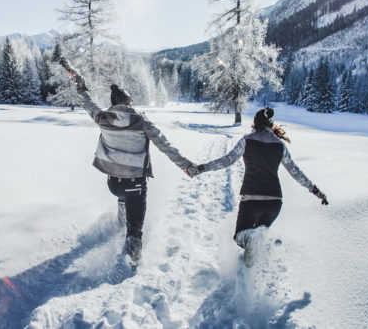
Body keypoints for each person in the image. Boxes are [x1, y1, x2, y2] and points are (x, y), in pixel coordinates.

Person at [60, 58, 194, 265]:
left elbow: (85, 100)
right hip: (135, 184)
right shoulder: (142, 121)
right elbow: (165, 145)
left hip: (113, 184)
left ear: (114, 103)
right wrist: (185, 165)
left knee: (123, 200)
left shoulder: (102, 117)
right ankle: (130, 268)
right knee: (135, 230)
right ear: (129, 102)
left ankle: (120, 227)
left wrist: (78, 79)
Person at [187, 107, 328, 267]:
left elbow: (227, 160)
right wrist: (316, 191)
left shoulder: (247, 140)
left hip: (251, 202)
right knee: (256, 239)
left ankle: (252, 263)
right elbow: (295, 172)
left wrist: (202, 168)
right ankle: (254, 266)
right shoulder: (280, 146)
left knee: (241, 237)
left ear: (255, 123)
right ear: (270, 125)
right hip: (274, 203)